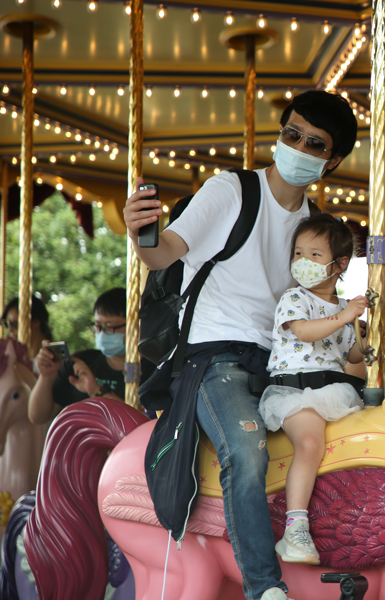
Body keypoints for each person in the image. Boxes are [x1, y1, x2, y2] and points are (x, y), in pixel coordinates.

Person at [123, 90, 357, 600]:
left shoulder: (314, 225)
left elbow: (317, 310)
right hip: (217, 356)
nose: (296, 147)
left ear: (331, 161)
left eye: (312, 143)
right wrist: (143, 232)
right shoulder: (231, 191)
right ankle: (263, 588)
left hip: (281, 365)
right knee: (247, 453)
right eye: (290, 134)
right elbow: (164, 255)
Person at [257, 214, 368, 563]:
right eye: (299, 254)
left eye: (315, 255)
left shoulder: (342, 308)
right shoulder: (294, 298)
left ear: (340, 264)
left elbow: (352, 353)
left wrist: (374, 331)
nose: (303, 262)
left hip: (333, 392)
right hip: (293, 392)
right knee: (309, 443)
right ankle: (295, 529)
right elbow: (304, 332)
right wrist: (346, 316)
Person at [28, 288, 151, 424]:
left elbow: (146, 423)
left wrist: (98, 391)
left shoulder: (153, 371)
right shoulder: (80, 363)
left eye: (110, 327)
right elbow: (37, 416)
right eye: (98, 326)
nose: (102, 333)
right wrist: (46, 377)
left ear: (134, 326)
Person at [2, 295, 53, 360]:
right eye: (7, 325)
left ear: (36, 322)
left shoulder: (54, 362)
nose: (10, 330)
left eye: (14, 324)